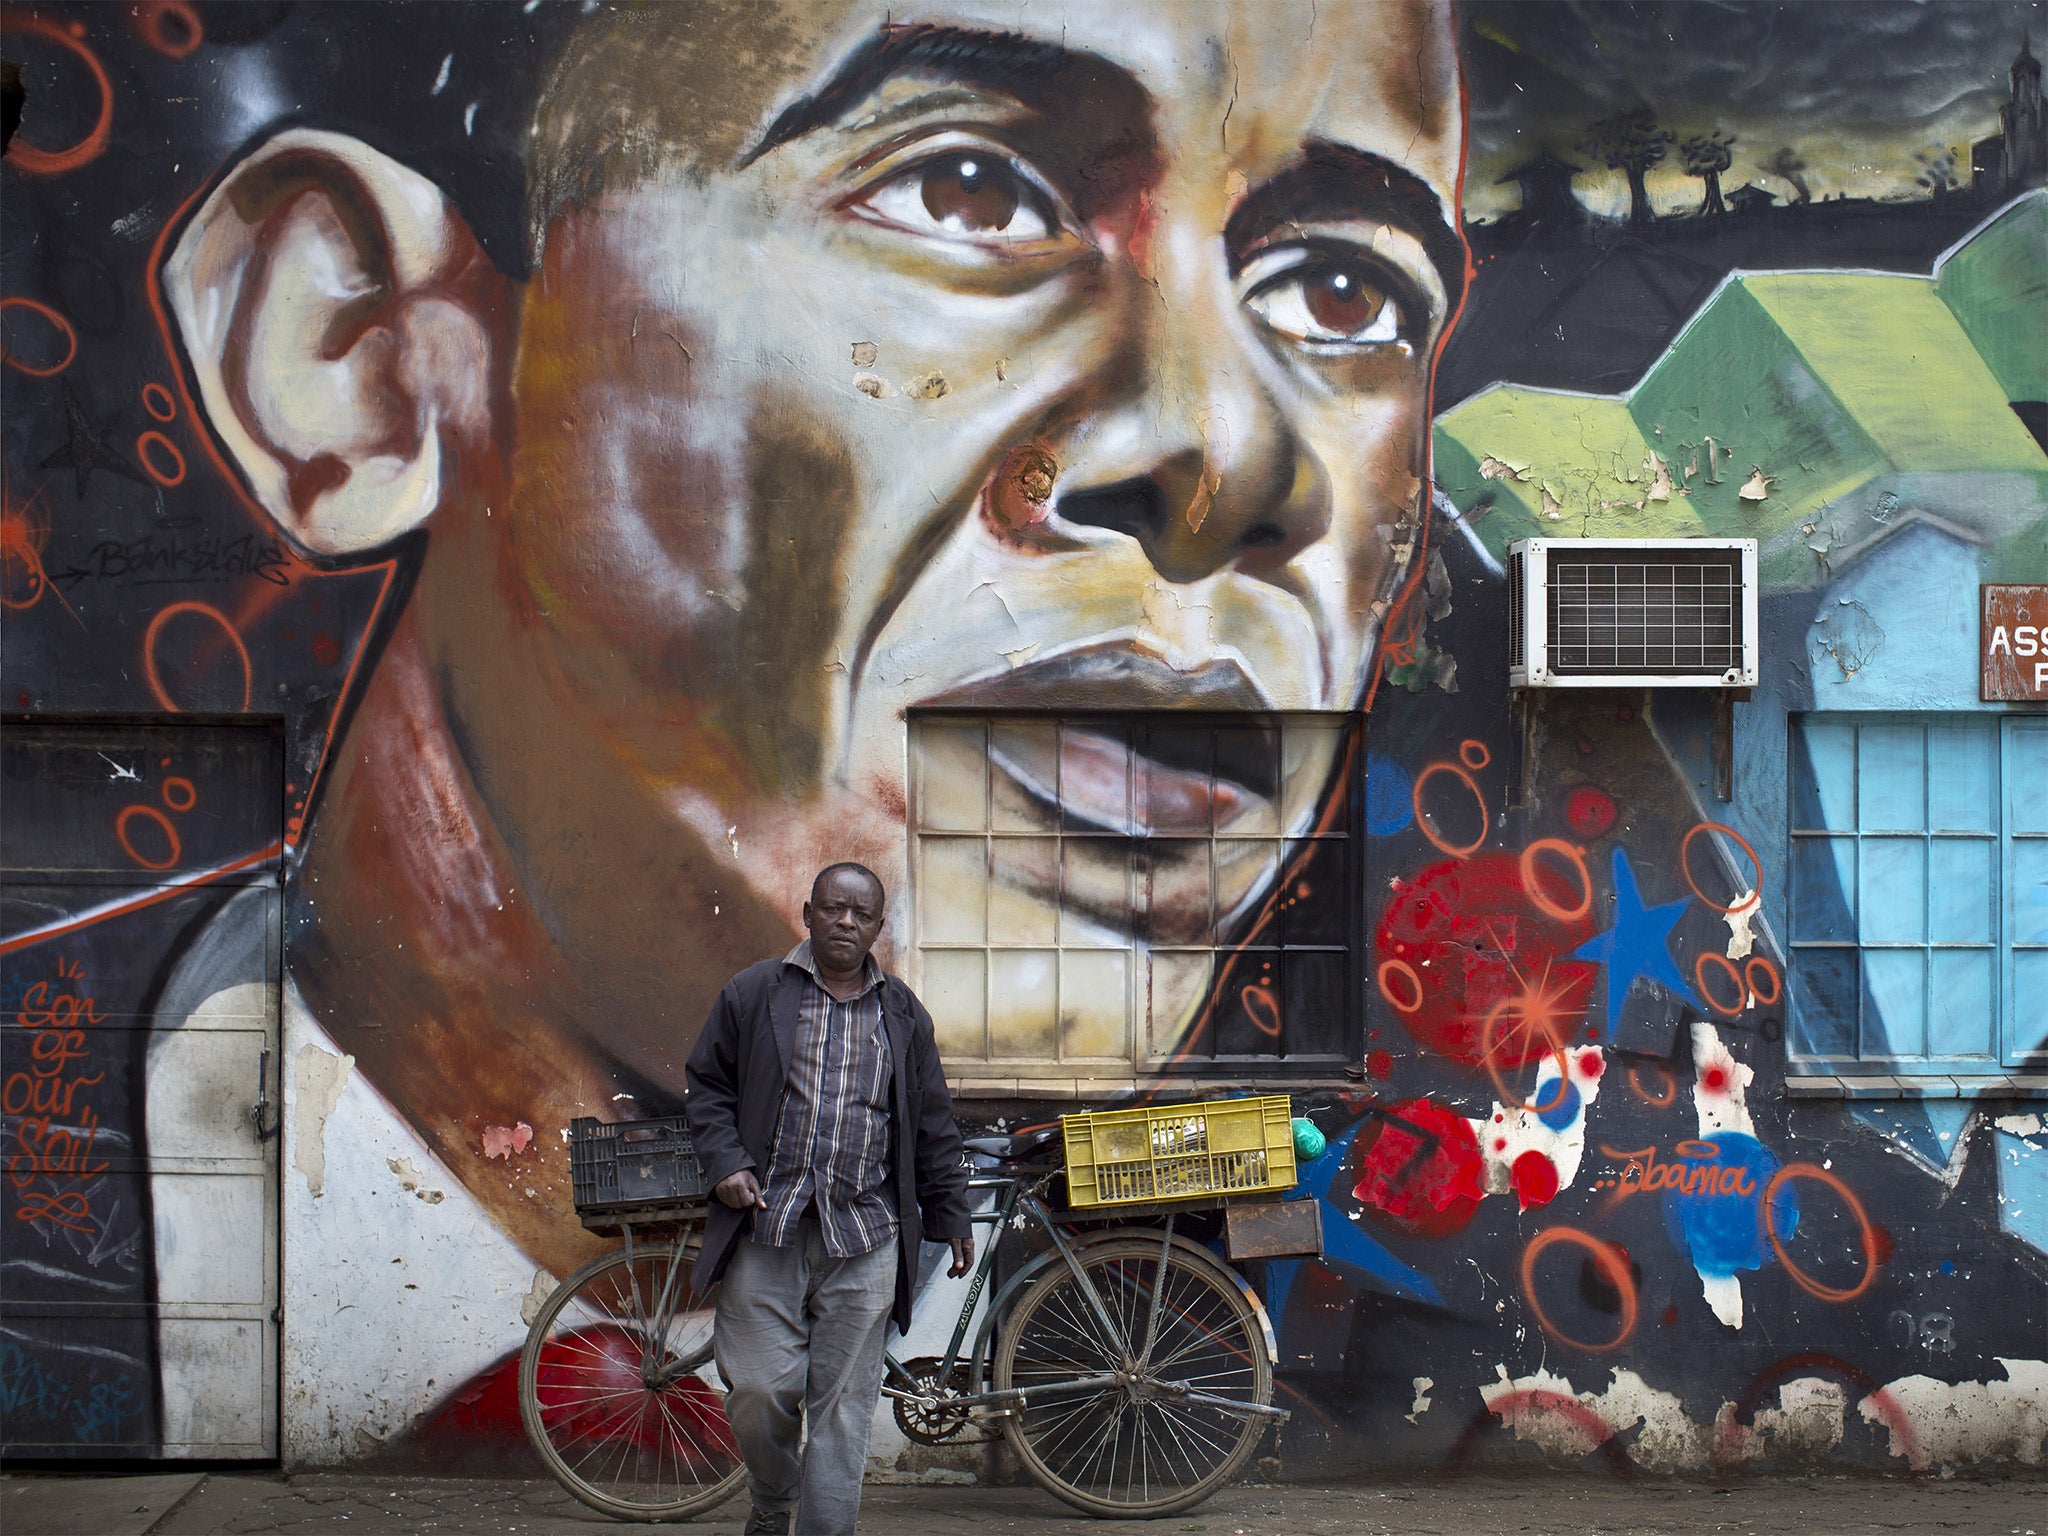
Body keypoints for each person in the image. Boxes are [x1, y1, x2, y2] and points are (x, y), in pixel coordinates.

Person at [152, 0, 1465, 1399]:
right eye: (965, 190)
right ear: (366, 362)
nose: (1231, 461)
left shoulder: (1086, 1331)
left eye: (1345, 295)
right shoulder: (85, 1276)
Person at [685, 862, 972, 1536]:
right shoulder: (755, 993)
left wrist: (951, 1211)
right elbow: (707, 1086)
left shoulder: (901, 1013)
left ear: (878, 927)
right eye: (834, 908)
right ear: (808, 911)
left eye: (862, 914)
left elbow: (933, 1122)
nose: (846, 922)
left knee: (843, 1410)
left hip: (864, 1239)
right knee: (758, 1389)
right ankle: (773, 1496)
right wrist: (726, 1162)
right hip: (767, 1228)